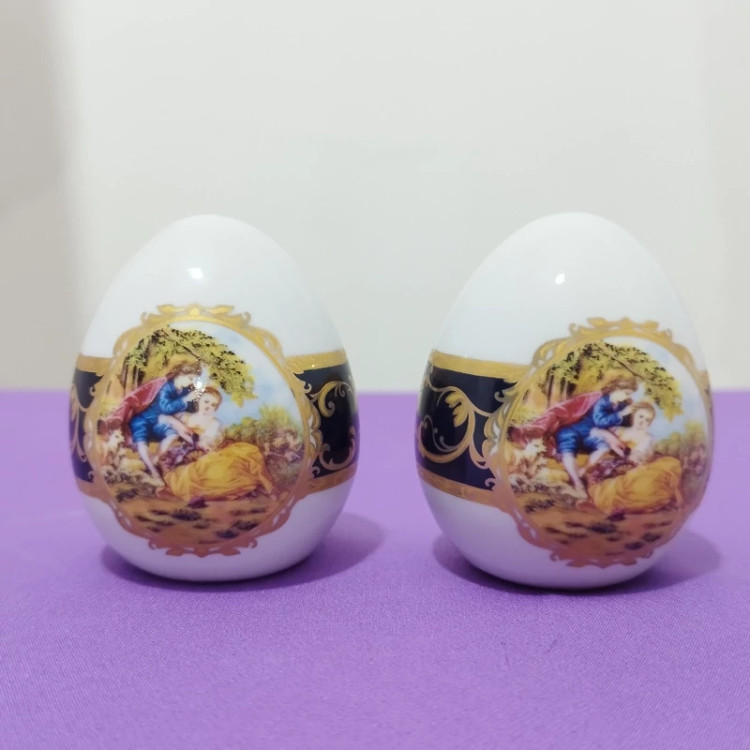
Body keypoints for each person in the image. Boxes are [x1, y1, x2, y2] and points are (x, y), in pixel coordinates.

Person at [159, 387, 276, 505]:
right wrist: (178, 425)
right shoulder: (185, 417)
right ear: (198, 400)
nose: (208, 406)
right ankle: (197, 494)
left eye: (213, 405)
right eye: (206, 401)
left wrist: (182, 433)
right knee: (186, 473)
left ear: (216, 408)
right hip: (188, 454)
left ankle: (248, 488)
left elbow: (202, 445)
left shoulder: (215, 423)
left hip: (210, 454)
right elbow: (163, 418)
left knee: (222, 471)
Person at [103, 360, 203, 481]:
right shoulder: (166, 387)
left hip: (159, 421)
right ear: (181, 374)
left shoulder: (184, 390)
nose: (191, 382)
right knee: (141, 440)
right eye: (190, 378)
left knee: (173, 435)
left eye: (193, 380)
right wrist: (185, 400)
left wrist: (192, 398)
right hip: (143, 419)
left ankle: (156, 459)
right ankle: (152, 469)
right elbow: (166, 407)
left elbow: (189, 406)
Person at [587, 401, 683, 514]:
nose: (642, 421)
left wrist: (623, 455)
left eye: (647, 420)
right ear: (633, 415)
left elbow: (636, 459)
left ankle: (623, 503)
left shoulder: (648, 438)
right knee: (610, 486)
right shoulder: (618, 430)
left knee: (644, 485)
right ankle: (616, 503)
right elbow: (594, 431)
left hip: (636, 470)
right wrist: (608, 437)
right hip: (612, 469)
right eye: (640, 416)